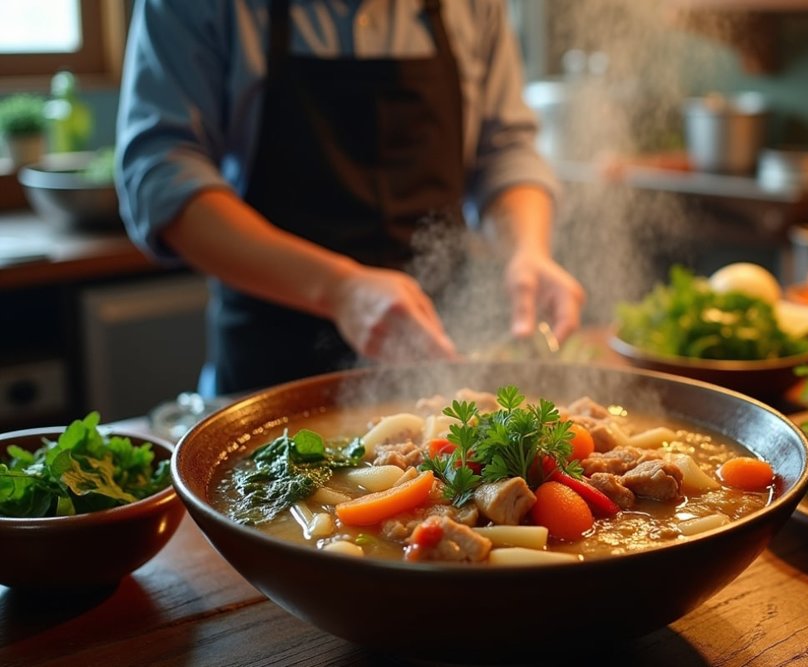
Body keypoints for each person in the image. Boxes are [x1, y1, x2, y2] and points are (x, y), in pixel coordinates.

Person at [115, 0, 585, 397]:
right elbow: (161, 175)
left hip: (443, 371)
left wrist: (528, 249)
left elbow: (504, 149)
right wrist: (339, 289)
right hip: (270, 373)